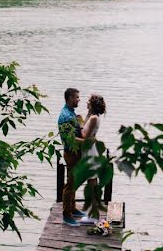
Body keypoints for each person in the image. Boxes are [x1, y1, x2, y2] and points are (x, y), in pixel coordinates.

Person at [57, 87, 87, 226]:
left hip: (76, 153)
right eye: (76, 97)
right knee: (70, 184)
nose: (78, 100)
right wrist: (88, 142)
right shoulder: (66, 117)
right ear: (70, 98)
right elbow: (71, 140)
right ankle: (66, 215)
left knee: (74, 182)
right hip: (71, 153)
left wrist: (80, 121)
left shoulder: (71, 113)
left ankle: (73, 208)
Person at [79, 94, 106, 224]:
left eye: (88, 101)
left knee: (92, 184)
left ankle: (94, 215)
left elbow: (85, 135)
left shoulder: (94, 118)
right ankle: (93, 212)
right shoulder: (91, 116)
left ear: (93, 104)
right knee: (91, 183)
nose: (86, 103)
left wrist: (78, 125)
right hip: (88, 150)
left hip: (90, 152)